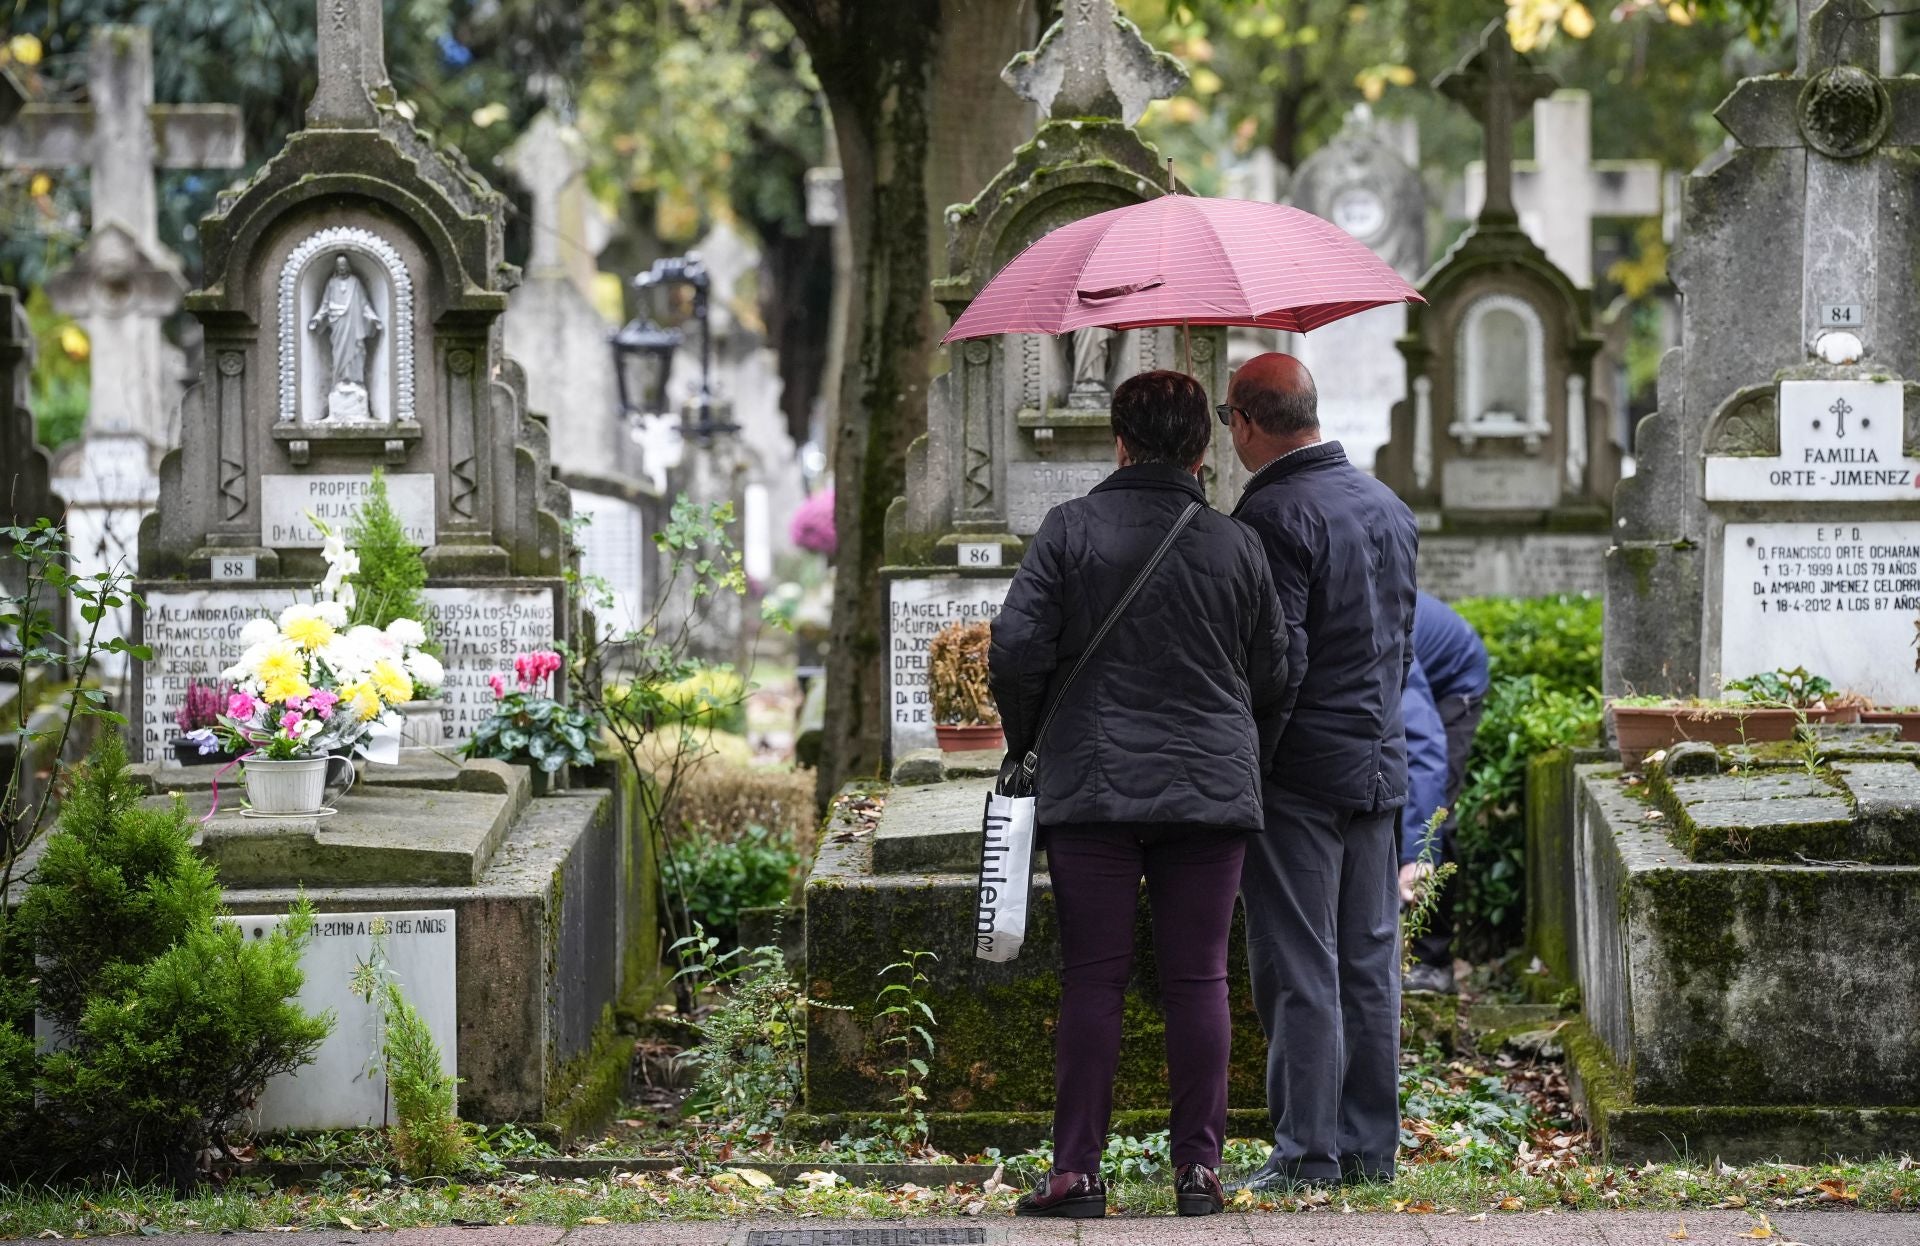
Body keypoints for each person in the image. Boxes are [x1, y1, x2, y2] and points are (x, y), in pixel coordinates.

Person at [989, 369, 1292, 1219]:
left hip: (1093, 787)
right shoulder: (1237, 546)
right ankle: (1199, 1173)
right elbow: (1277, 671)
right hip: (1210, 788)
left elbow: (1014, 648)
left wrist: (1031, 737)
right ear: (1203, 450)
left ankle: (1076, 1175)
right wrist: (1243, 753)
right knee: (1200, 980)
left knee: (1094, 978)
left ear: (1118, 441)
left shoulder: (1070, 529)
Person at [1221, 352, 1419, 1190]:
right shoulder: (1385, 503)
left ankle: (1307, 1155)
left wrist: (1246, 769)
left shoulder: (1273, 514)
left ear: (1247, 423)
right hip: (1378, 763)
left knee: (1298, 964)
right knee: (1369, 962)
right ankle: (1371, 1150)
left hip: (1299, 772)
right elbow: (1398, 646)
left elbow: (1281, 663)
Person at [1401, 593, 1491, 994]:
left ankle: (1433, 960)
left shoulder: (1381, 630)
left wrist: (1414, 856)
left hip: (1454, 683)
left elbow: (1425, 750)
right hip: (1417, 675)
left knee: (1435, 815)